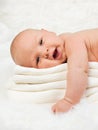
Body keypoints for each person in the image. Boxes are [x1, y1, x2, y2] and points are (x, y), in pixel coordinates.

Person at [10, 28, 98, 113]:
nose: (45, 52)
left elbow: (79, 69)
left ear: (48, 32)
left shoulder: (72, 41)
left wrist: (69, 100)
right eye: (37, 59)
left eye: (41, 42)